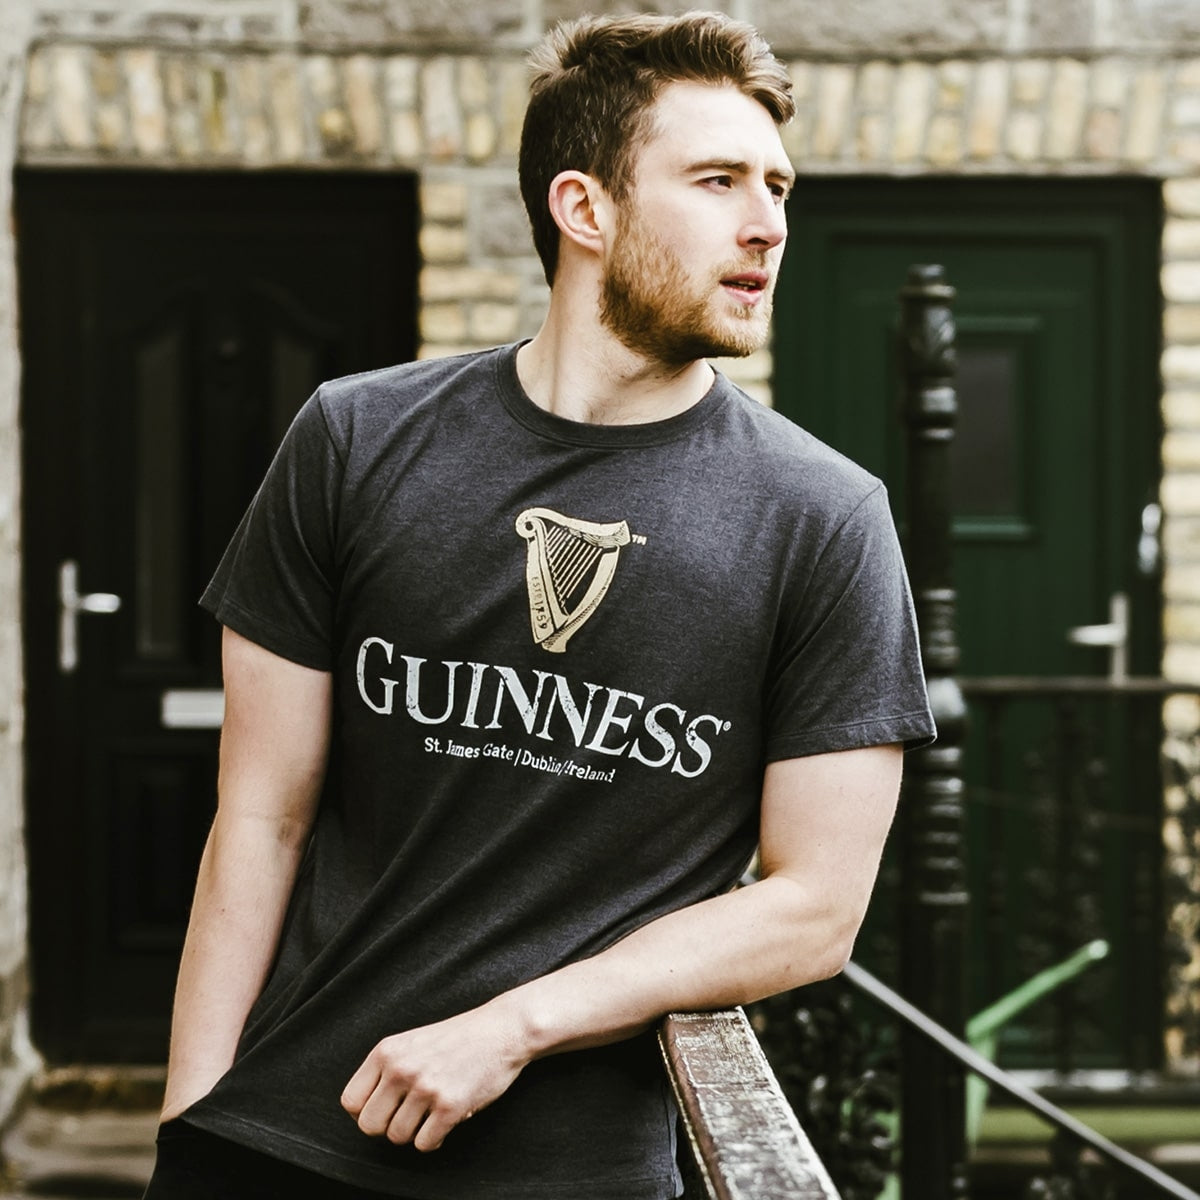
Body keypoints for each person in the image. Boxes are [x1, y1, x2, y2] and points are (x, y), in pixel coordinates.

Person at [144, 11, 935, 1199]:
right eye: (717, 180)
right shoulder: (354, 440)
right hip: (278, 1135)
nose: (768, 223)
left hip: (573, 1170)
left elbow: (814, 907)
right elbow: (260, 821)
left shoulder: (822, 516)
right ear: (585, 209)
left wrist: (511, 1025)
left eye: (777, 185)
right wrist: (188, 1128)